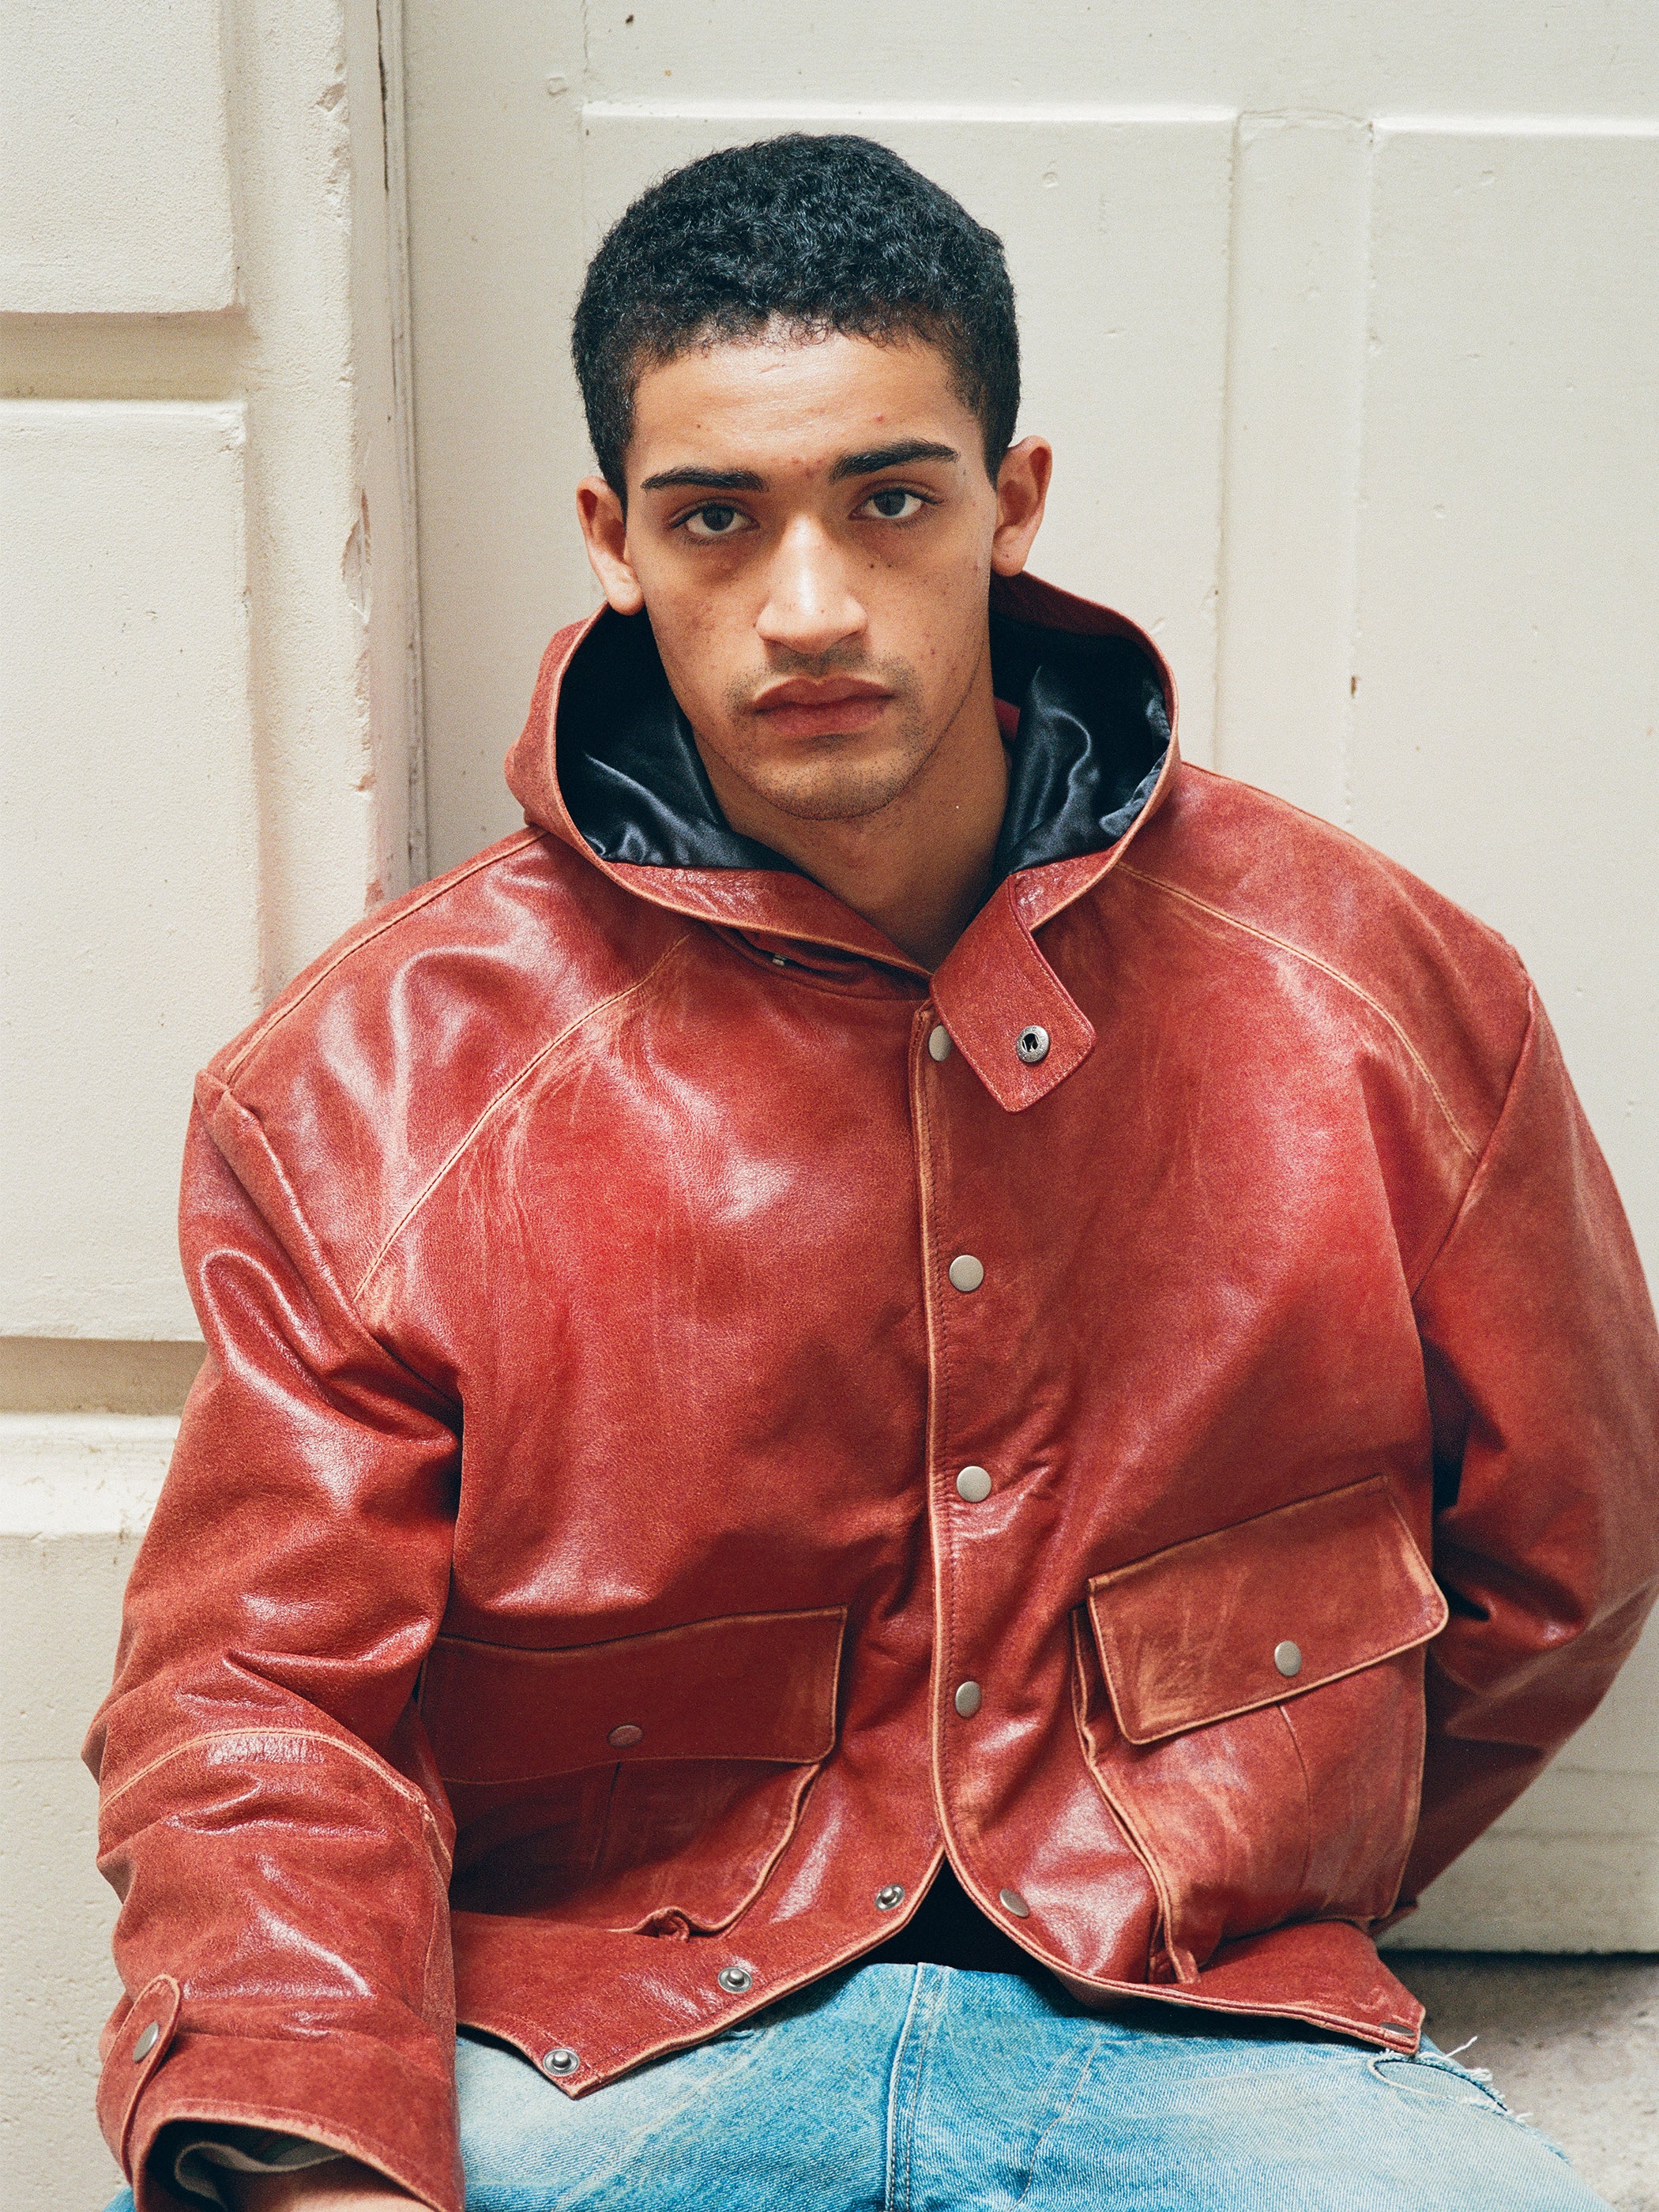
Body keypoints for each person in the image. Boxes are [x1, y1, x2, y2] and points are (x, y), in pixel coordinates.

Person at [89, 134, 1658, 2212]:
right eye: (716, 518)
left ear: (1007, 503)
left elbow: (1560, 1558)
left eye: (887, 497)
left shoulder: (1379, 992)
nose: (806, 604)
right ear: (613, 538)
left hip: (1185, 2014)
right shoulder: (375, 1074)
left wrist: (1255, 1855)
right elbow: (253, 1690)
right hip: (594, 2033)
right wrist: (314, 2163)